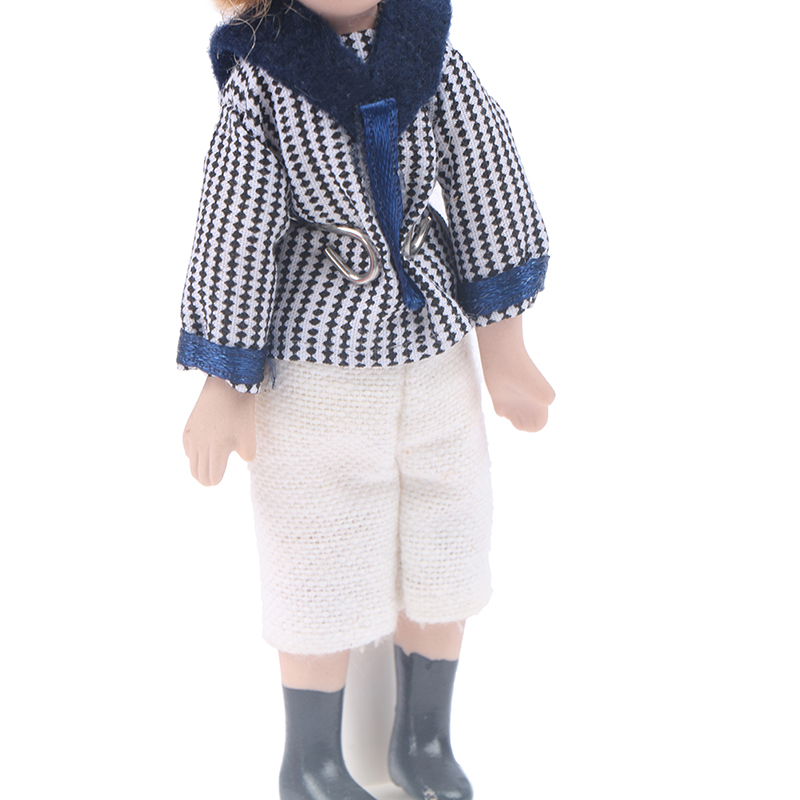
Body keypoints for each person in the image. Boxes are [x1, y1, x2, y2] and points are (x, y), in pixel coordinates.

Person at [179, 1, 555, 798]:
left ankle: (423, 738)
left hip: (435, 351)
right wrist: (225, 378)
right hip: (316, 367)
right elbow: (235, 228)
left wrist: (505, 345)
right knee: (314, 553)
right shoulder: (265, 78)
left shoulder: (431, 55)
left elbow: (487, 176)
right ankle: (312, 760)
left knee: (448, 538)